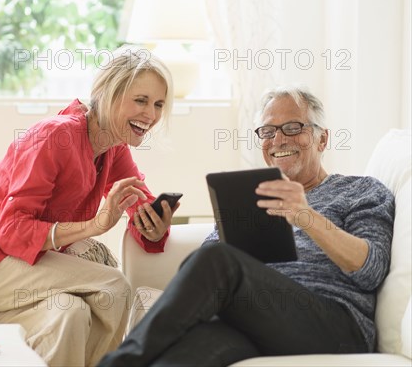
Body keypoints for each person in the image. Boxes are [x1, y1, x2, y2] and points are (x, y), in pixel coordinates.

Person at [98, 85, 395, 366]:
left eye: (293, 127)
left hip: (335, 324)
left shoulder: (361, 191)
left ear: (322, 139)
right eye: (267, 131)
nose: (278, 140)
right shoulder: (251, 196)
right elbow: (203, 272)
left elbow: (371, 269)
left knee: (219, 261)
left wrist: (305, 215)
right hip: (258, 318)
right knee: (186, 352)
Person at [0, 46, 180, 367]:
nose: (151, 114)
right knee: (113, 286)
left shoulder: (113, 149)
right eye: (140, 100)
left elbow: (141, 207)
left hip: (25, 272)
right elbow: (12, 232)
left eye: (158, 105)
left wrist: (154, 226)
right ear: (107, 92)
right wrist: (95, 226)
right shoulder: (54, 136)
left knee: (69, 313)